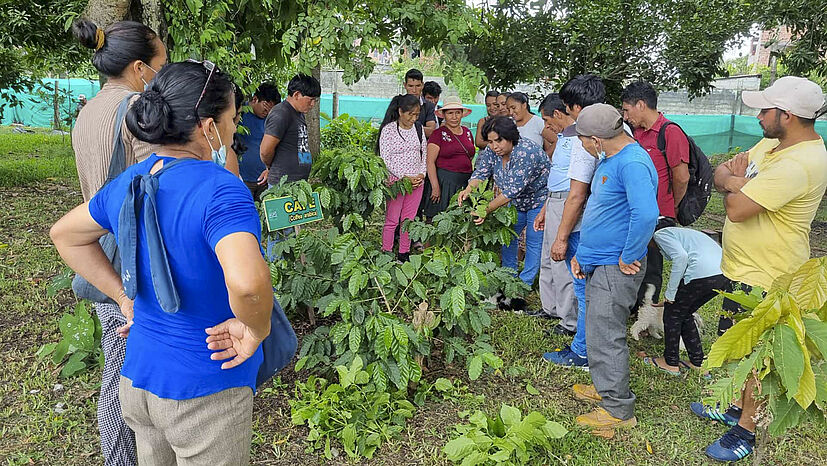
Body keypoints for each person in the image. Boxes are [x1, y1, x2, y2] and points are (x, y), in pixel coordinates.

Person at [51, 61, 273, 464]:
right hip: (205, 387)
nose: (232, 129)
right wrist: (255, 328)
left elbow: (65, 235)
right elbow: (247, 283)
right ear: (208, 126)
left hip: (139, 381)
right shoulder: (222, 190)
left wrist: (123, 297)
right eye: (232, 118)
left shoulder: (132, 180)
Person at [692, 76, 827, 462]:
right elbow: (721, 172)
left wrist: (733, 182)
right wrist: (737, 180)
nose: (758, 116)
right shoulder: (773, 142)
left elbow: (734, 206)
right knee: (737, 345)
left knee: (758, 358)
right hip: (744, 267)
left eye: (765, 110)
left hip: (771, 275)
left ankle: (746, 430)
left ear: (788, 115)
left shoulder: (800, 163)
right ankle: (734, 405)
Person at [69, 18, 167, 466]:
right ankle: (120, 459)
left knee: (121, 361)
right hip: (128, 256)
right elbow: (154, 190)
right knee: (123, 370)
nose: (162, 75)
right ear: (142, 67)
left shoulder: (88, 111)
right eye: (161, 63)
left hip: (99, 248)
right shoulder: (138, 110)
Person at [568, 103, 659, 432]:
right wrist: (585, 253)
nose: (580, 145)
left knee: (607, 334)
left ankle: (618, 411)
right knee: (596, 328)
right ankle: (605, 385)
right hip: (600, 261)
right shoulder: (613, 159)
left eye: (581, 140)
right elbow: (605, 212)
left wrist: (628, 254)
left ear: (596, 139)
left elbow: (647, 214)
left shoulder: (632, 163)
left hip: (615, 268)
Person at [543, 74, 608, 363]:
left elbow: (577, 195)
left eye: (568, 111)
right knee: (597, 292)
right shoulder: (621, 132)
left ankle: (581, 351)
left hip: (588, 226)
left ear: (577, 108)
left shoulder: (587, 142)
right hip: (609, 225)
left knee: (583, 288)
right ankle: (588, 345)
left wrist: (561, 237)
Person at [457, 116, 550, 286]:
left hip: (538, 200)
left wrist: (485, 209)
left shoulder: (526, 153)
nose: (494, 146)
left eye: (499, 141)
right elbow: (481, 173)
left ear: (510, 136)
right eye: (490, 142)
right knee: (508, 238)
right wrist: (468, 189)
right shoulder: (491, 151)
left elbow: (510, 192)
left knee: (533, 240)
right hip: (516, 202)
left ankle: (524, 284)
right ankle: (509, 278)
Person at [621, 81, 690, 308]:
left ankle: (646, 309)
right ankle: (630, 304)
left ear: (640, 105)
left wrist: (673, 207)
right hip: (634, 209)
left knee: (652, 264)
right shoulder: (635, 134)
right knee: (633, 255)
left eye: (626, 109)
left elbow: (681, 177)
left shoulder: (669, 133)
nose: (625, 115)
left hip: (659, 212)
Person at [642, 227, 727, 375]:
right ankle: (697, 362)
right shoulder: (681, 234)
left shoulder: (660, 234)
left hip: (702, 273)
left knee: (672, 314)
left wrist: (670, 294)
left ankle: (670, 363)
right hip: (722, 274)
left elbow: (680, 258)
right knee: (685, 314)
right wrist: (674, 296)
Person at [532, 94, 578, 331]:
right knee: (547, 258)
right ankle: (549, 308)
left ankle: (568, 319)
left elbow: (576, 184)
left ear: (559, 114)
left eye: (548, 122)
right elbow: (556, 177)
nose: (547, 127)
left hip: (567, 202)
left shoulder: (580, 138)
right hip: (553, 200)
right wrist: (544, 208)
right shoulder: (563, 137)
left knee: (561, 259)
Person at [377, 94, 428, 262]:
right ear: (400, 112)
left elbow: (424, 154)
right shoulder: (389, 130)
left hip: (417, 182)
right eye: (410, 114)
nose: (413, 118)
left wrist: (421, 174)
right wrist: (404, 177)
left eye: (417, 114)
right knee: (392, 220)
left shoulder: (419, 129)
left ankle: (404, 253)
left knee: (408, 220)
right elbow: (385, 159)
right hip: (396, 183)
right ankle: (386, 252)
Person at [260, 74, 321, 187]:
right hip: (282, 186)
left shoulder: (299, 114)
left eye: (315, 101)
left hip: (298, 184)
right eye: (310, 100)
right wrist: (270, 167)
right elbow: (265, 151)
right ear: (297, 95)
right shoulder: (281, 113)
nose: (312, 104)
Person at [420, 96, 475, 219]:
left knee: (462, 220)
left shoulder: (467, 132)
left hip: (465, 182)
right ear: (444, 115)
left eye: (457, 113)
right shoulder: (437, 134)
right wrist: (435, 186)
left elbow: (469, 157)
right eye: (450, 113)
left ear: (462, 114)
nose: (454, 117)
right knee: (439, 219)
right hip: (444, 182)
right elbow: (430, 162)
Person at [238, 83, 281, 200]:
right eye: (265, 109)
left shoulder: (271, 120)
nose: (267, 113)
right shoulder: (238, 114)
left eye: (270, 111)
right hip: (242, 178)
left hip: (265, 179)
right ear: (255, 99)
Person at [403, 69, 438, 138]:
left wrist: (407, 127)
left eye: (418, 86)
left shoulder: (429, 106)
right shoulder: (397, 104)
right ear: (405, 85)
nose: (414, 90)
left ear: (422, 85)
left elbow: (431, 131)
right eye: (410, 86)